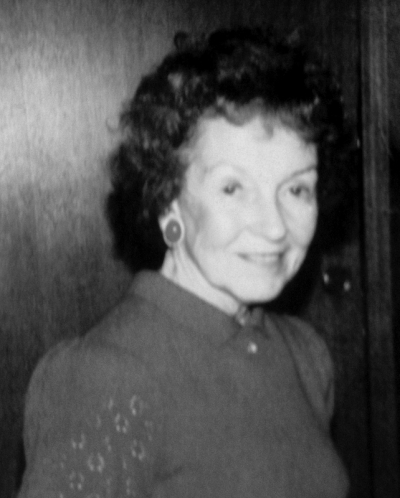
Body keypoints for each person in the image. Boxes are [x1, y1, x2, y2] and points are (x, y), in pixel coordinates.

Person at [18, 27, 354, 498]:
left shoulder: (305, 355)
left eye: (297, 189)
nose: (275, 226)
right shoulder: (104, 376)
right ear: (168, 199)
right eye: (233, 188)